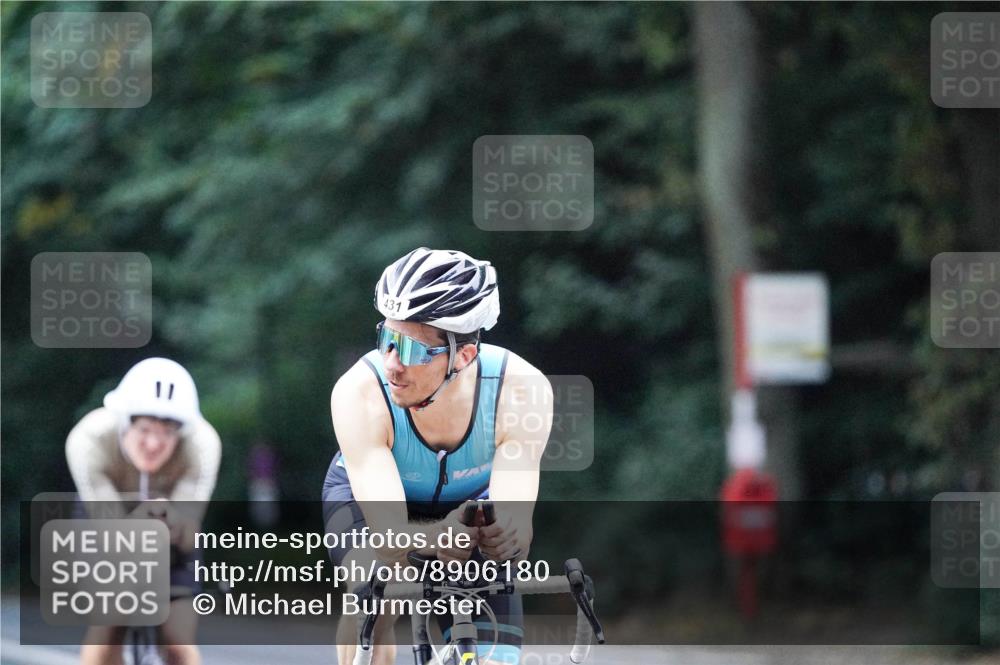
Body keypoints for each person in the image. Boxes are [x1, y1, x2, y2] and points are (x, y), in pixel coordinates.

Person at [323, 247, 553, 665]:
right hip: (373, 506)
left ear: (463, 356)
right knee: (374, 598)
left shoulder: (521, 390)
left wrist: (505, 534)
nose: (390, 363)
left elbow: (519, 530)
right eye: (386, 340)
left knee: (493, 656)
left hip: (469, 509)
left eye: (409, 349)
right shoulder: (358, 392)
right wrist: (435, 536)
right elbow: (389, 538)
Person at [66, 357, 221, 665]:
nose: (153, 443)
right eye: (145, 429)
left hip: (171, 533)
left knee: (177, 640)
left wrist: (172, 523)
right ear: (124, 424)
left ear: (182, 433)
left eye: (166, 432)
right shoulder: (88, 439)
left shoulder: (202, 443)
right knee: (108, 625)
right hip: (108, 524)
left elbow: (188, 534)